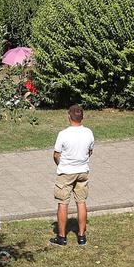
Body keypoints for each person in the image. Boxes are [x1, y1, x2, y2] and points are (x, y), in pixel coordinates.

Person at [51, 104, 92, 247]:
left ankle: (62, 237)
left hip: (66, 172)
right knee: (81, 202)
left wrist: (61, 164)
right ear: (82, 117)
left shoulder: (63, 134)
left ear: (69, 117)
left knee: (63, 203)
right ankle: (81, 236)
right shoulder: (88, 133)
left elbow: (56, 155)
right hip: (82, 171)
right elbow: (89, 151)